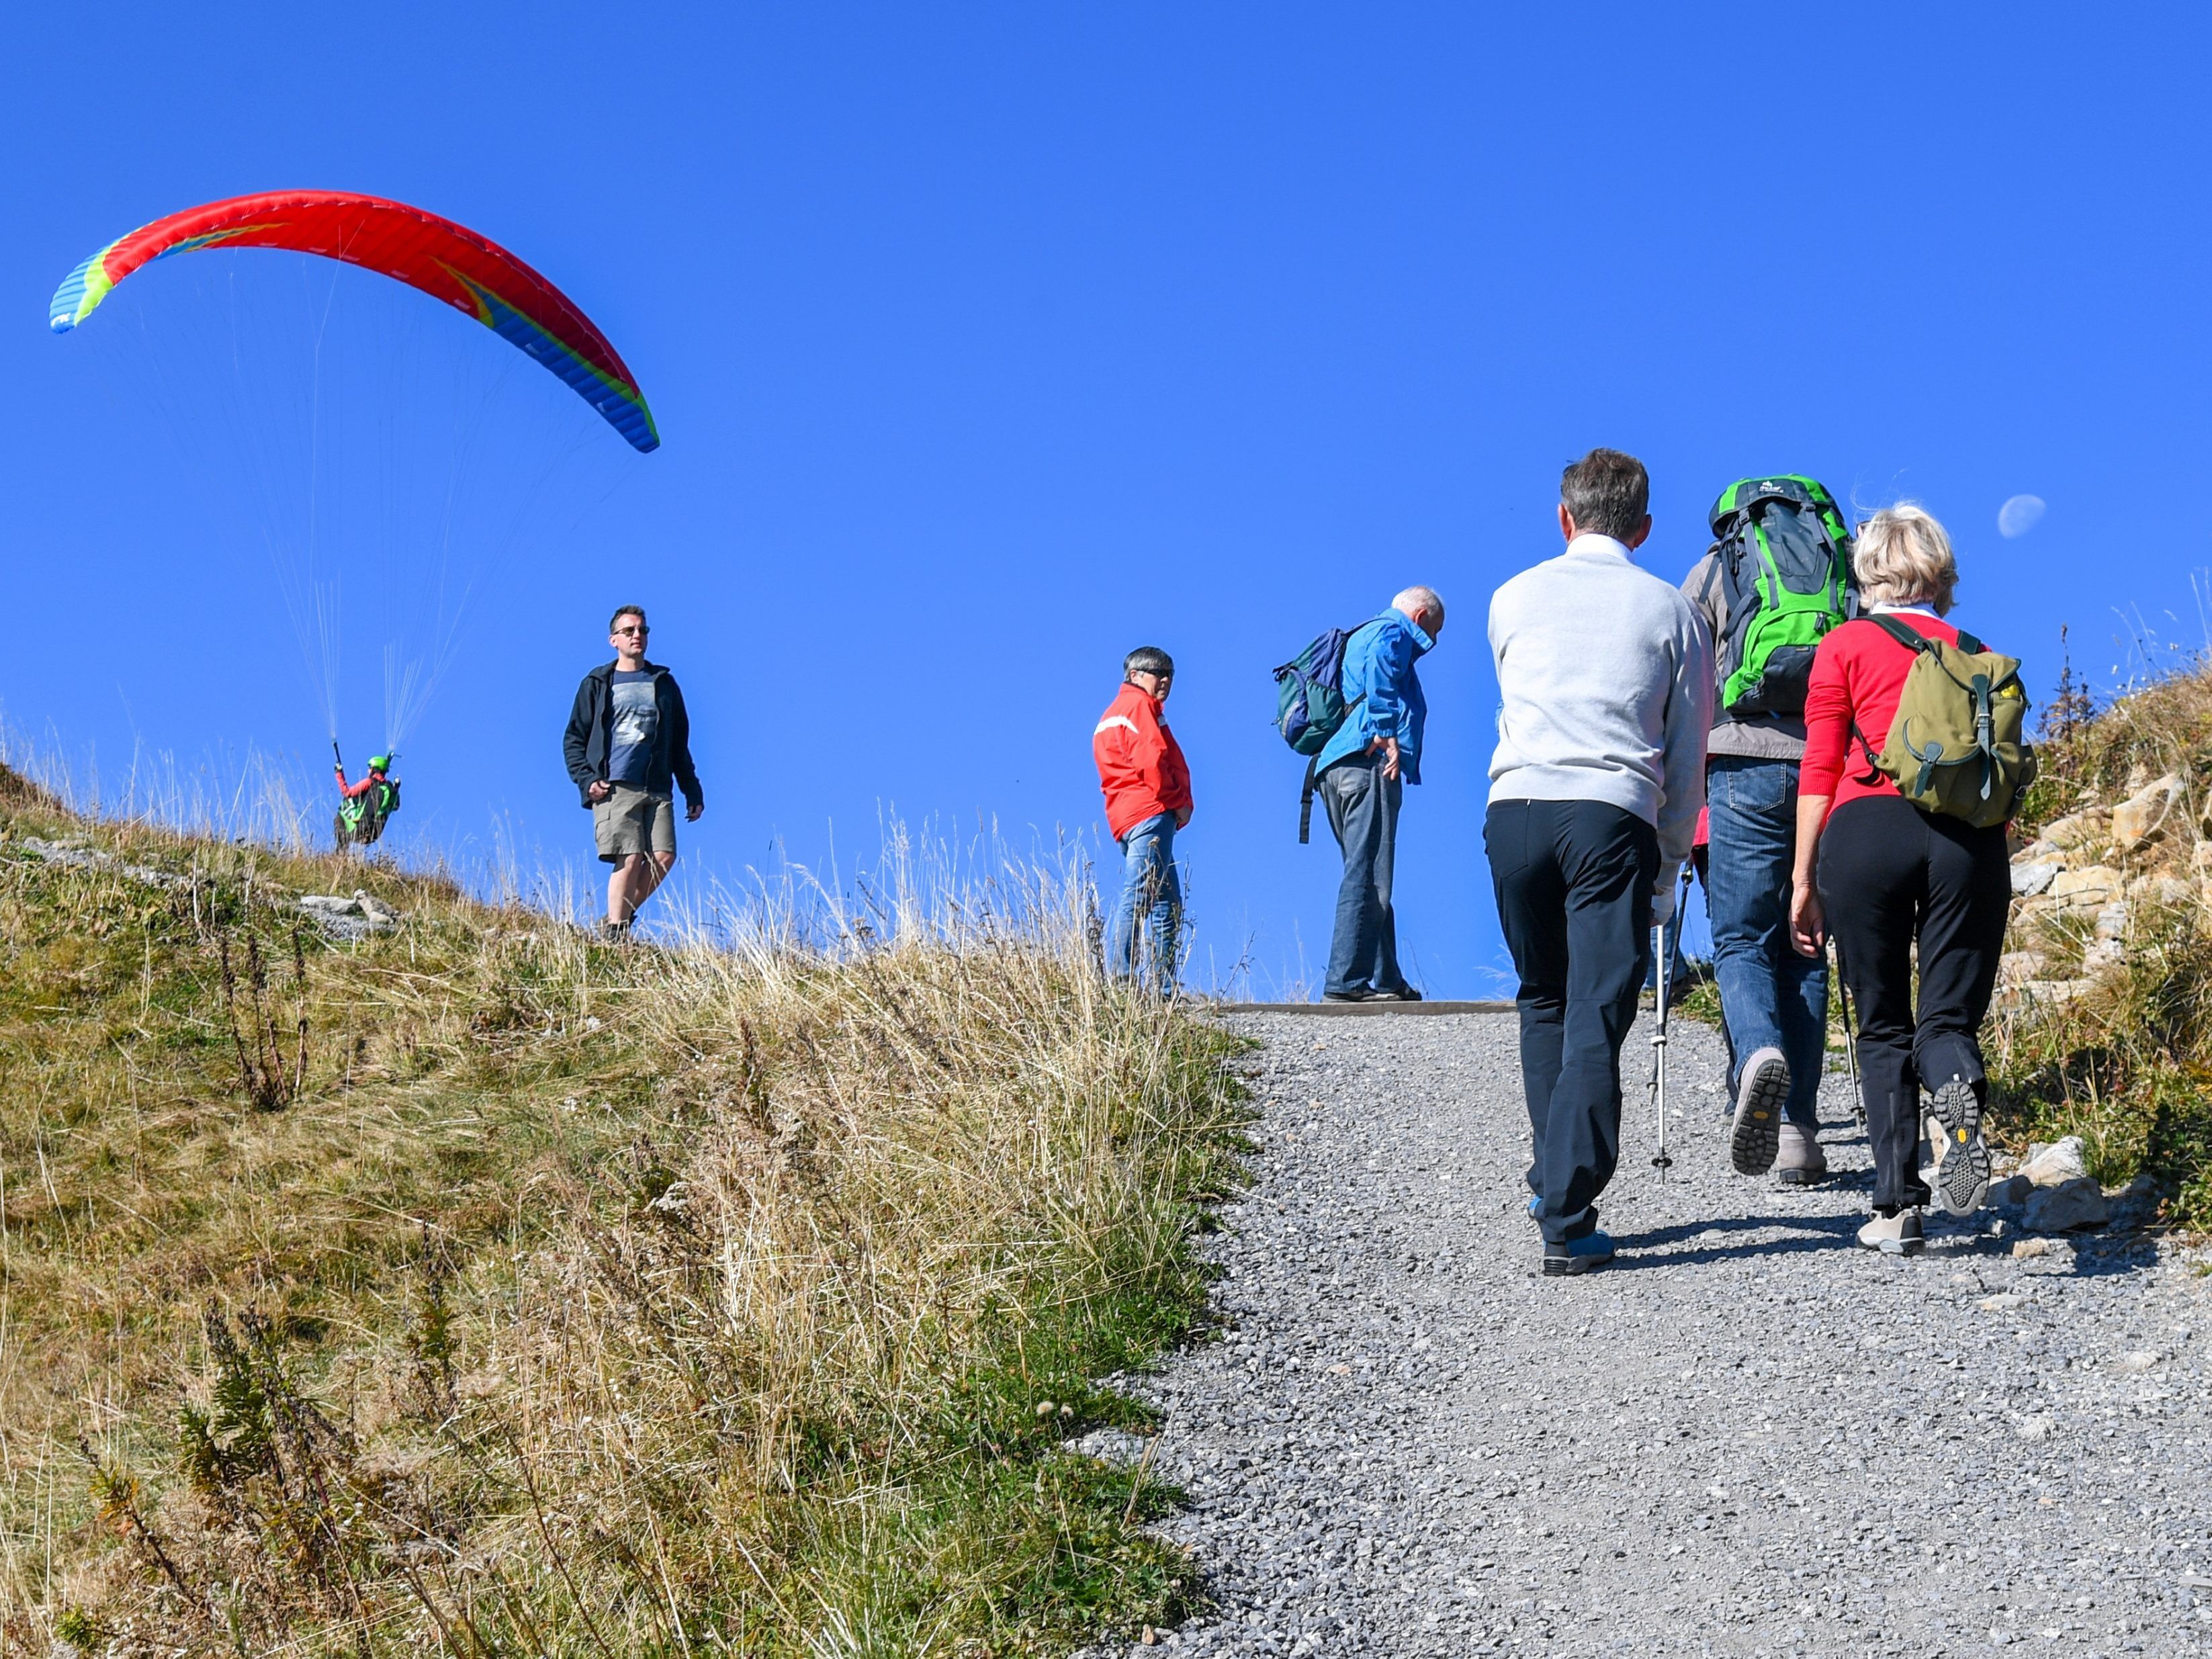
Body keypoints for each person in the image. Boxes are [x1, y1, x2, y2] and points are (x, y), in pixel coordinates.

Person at [1485, 449, 1712, 1275]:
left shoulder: (1509, 598)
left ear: (1562, 516)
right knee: (1596, 1008)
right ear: (1644, 527)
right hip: (1608, 811)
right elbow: (1686, 760)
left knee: (1542, 994)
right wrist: (1666, 869)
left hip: (1511, 812)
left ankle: (1553, 1172)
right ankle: (1566, 1208)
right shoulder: (1673, 613)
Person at [1789, 506, 2008, 1255]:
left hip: (1865, 830)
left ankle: (1895, 1208)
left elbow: (1818, 766)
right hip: (1968, 842)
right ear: (1940, 572)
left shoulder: (1843, 645)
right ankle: (1959, 1104)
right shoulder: (1980, 655)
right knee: (1943, 1022)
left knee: (1881, 1022)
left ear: (1867, 570)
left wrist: (1801, 878)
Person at [1684, 535, 1832, 1184]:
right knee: (1805, 941)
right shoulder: (1836, 566)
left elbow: (1682, 672)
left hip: (1739, 758)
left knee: (1742, 938)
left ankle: (1754, 1058)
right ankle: (1798, 1129)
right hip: (1822, 764)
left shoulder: (1717, 569)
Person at [1312, 586, 1444, 1002]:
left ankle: (1386, 977)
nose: (1431, 644)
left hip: (1334, 765)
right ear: (1420, 617)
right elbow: (1384, 667)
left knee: (1367, 869)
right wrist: (1387, 732)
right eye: (1433, 634)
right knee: (1369, 875)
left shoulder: (1361, 632)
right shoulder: (1393, 632)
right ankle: (1346, 982)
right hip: (1367, 763)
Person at [562, 605, 703, 938]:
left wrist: (692, 790)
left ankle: (616, 921)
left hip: (657, 785)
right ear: (614, 640)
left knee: (664, 857)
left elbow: (679, 743)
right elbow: (574, 739)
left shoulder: (664, 684)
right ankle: (616, 932)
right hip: (615, 785)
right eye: (629, 631)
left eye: (642, 630)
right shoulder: (598, 683)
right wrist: (586, 780)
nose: (637, 635)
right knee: (628, 857)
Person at [1092, 646, 1193, 992]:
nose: (1164, 679)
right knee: (1139, 897)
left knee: (1166, 902)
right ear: (1134, 676)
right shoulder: (1139, 707)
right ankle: (1123, 983)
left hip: (1127, 817)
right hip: (1150, 813)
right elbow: (1152, 760)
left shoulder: (1113, 714)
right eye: (1156, 672)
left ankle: (1164, 989)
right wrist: (1178, 801)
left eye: (1170, 673)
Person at [332, 753, 400, 850]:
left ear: (375, 770)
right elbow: (395, 807)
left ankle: (340, 855)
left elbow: (347, 792)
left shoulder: (370, 782)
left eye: (370, 768)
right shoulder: (390, 789)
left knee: (341, 813)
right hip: (374, 834)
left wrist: (339, 773)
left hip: (360, 828)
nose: (368, 770)